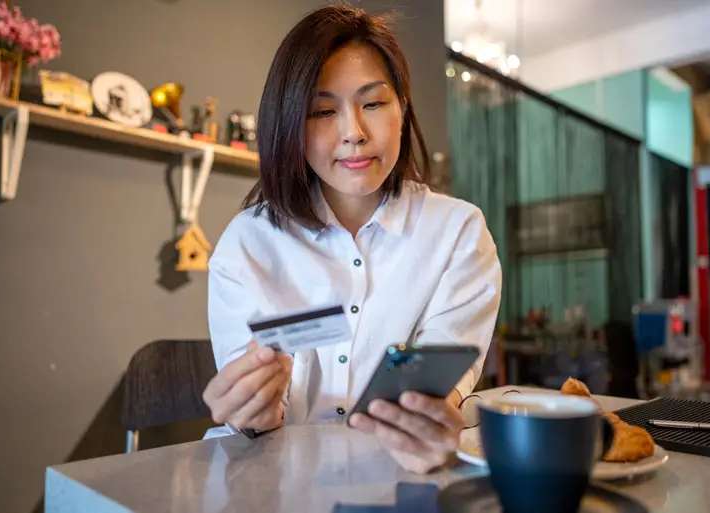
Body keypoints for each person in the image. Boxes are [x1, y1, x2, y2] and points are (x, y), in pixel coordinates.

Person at [202, 4, 502, 474]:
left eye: (374, 103)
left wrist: (429, 420)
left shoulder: (457, 234)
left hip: (401, 478)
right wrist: (253, 413)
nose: (354, 134)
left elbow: (436, 390)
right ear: (289, 126)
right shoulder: (248, 244)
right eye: (323, 111)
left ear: (403, 107)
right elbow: (255, 418)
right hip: (270, 484)